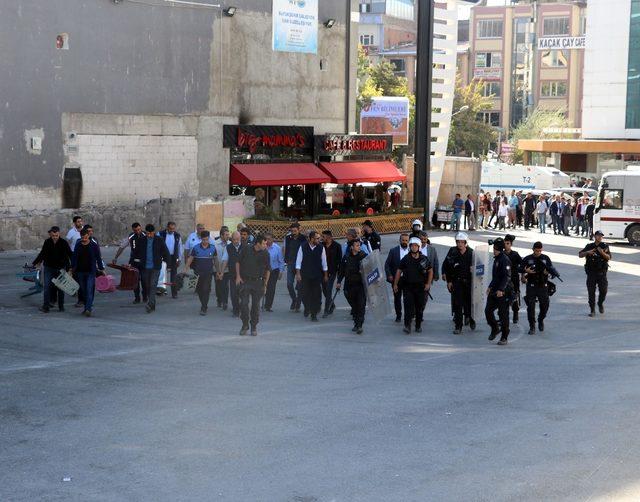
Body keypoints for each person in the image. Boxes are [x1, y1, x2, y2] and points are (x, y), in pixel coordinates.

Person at [393, 237, 433, 334]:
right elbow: (399, 271)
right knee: (408, 307)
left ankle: (418, 325)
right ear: (410, 247)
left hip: (420, 288)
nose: (414, 248)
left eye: (416, 246)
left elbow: (430, 271)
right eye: (412, 246)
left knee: (419, 307)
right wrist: (395, 284)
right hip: (408, 287)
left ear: (419, 247)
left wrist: (428, 283)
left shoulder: (424, 259)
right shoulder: (406, 259)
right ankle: (407, 325)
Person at [520, 241, 560, 335]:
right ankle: (532, 326)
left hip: (543, 285)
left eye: (539, 251)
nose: (538, 252)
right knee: (531, 307)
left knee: (545, 305)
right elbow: (519, 268)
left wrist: (549, 273)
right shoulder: (528, 258)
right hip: (531, 285)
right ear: (533, 249)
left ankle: (541, 319)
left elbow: (551, 269)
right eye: (536, 251)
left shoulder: (545, 258)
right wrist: (526, 271)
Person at [236, 234, 271, 336]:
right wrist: (238, 276)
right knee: (244, 304)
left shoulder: (265, 253)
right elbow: (237, 262)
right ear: (258, 243)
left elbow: (268, 269)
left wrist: (265, 284)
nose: (266, 245)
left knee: (256, 306)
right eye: (264, 243)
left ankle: (254, 326)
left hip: (258, 282)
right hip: (245, 281)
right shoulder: (246, 248)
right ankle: (245, 324)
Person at [32, 226, 72, 313]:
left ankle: (61, 306)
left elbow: (70, 255)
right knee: (47, 287)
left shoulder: (63, 243)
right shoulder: (47, 242)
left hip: (61, 269)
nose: (54, 237)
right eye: (53, 235)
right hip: (49, 268)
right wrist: (35, 262)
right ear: (51, 234)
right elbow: (42, 253)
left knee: (61, 288)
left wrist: (70, 268)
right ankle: (46, 307)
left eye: (56, 235)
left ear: (59, 234)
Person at [442, 232, 475, 334]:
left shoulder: (471, 253)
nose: (460, 244)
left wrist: (473, 269)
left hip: (469, 283)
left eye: (462, 242)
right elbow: (446, 264)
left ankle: (471, 318)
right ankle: (458, 326)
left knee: (469, 304)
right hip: (456, 282)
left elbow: (480, 267)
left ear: (466, 243)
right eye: (458, 242)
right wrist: (448, 280)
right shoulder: (452, 251)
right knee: (458, 304)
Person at [485, 238, 514, 346]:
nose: (494, 251)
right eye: (494, 248)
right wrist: (490, 286)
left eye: (496, 249)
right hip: (494, 290)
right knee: (488, 311)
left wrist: (501, 290)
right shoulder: (496, 259)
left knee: (503, 315)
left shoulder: (504, 260)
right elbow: (496, 277)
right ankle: (495, 328)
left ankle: (504, 336)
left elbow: (507, 277)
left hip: (503, 291)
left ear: (501, 249)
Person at [335, 239, 368, 334]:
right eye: (357, 245)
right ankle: (356, 322)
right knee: (354, 305)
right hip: (349, 285)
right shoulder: (346, 257)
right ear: (352, 247)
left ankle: (359, 325)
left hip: (361, 285)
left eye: (359, 245)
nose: (359, 247)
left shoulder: (364, 256)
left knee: (361, 305)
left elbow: (371, 268)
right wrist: (339, 281)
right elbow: (341, 271)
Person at [71, 228, 105, 317]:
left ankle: (88, 309)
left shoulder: (94, 245)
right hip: (80, 271)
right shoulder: (78, 245)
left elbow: (98, 257)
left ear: (88, 236)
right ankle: (86, 306)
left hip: (91, 271)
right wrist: (72, 268)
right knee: (83, 290)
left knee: (89, 290)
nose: (84, 239)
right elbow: (75, 258)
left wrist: (101, 269)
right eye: (82, 238)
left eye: (86, 237)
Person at [295, 230, 329, 322]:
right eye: (317, 238)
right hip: (305, 274)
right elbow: (298, 261)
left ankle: (313, 314)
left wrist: (325, 275)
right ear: (310, 239)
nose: (319, 240)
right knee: (305, 294)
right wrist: (298, 274)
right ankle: (307, 308)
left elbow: (324, 262)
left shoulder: (321, 248)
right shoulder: (303, 247)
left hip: (317, 275)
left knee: (316, 295)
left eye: (319, 238)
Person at [139, 224, 171, 313]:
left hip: (155, 267)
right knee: (147, 285)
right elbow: (137, 252)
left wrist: (169, 266)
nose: (149, 235)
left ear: (154, 232)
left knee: (153, 285)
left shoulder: (159, 240)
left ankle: (150, 304)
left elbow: (166, 252)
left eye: (151, 234)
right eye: (147, 234)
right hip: (145, 267)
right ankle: (152, 303)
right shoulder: (142, 240)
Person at [579, 231, 611, 317]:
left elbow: (609, 257)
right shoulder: (589, 246)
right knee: (591, 292)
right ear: (594, 236)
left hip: (602, 273)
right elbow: (580, 254)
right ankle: (592, 310)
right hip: (591, 273)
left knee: (604, 291)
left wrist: (602, 252)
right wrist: (587, 252)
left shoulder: (605, 246)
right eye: (598, 235)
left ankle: (600, 303)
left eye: (601, 236)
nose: (600, 237)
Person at [112, 222, 146, 304]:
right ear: (133, 230)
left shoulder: (146, 235)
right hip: (134, 262)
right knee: (135, 280)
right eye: (135, 230)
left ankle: (145, 296)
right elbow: (122, 247)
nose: (137, 232)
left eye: (138, 230)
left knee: (145, 280)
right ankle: (137, 298)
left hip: (145, 261)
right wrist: (116, 257)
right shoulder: (131, 237)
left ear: (140, 228)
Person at [185, 230, 217, 316]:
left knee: (206, 289)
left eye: (207, 239)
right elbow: (190, 258)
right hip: (198, 273)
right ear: (201, 239)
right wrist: (185, 268)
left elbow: (215, 260)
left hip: (208, 273)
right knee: (199, 290)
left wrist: (218, 271)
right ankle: (203, 303)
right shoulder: (196, 248)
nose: (205, 242)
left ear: (209, 239)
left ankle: (204, 307)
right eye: (203, 240)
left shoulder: (213, 248)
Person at [385, 233, 410, 323]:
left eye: (406, 240)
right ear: (400, 240)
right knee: (397, 298)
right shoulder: (393, 251)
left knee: (408, 299)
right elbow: (387, 264)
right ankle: (398, 315)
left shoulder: (412, 251)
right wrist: (389, 275)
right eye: (403, 240)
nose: (404, 242)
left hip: (408, 280)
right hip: (396, 279)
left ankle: (409, 315)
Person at [283, 222, 306, 312]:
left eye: (295, 230)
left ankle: (298, 304)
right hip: (290, 263)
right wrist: (286, 259)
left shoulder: (303, 238)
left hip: (300, 264)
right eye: (292, 231)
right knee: (289, 284)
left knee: (300, 285)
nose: (293, 232)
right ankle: (294, 299)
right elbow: (286, 248)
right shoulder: (288, 238)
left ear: (299, 230)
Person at [158, 222, 183, 299]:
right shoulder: (160, 234)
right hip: (163, 257)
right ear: (167, 228)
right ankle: (161, 291)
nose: (172, 230)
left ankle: (174, 293)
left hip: (173, 258)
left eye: (173, 229)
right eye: (170, 229)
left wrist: (179, 259)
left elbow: (180, 248)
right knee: (161, 275)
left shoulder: (177, 236)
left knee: (174, 276)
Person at [321, 230, 342, 317]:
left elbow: (339, 261)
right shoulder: (321, 245)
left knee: (329, 289)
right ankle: (332, 304)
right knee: (325, 290)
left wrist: (339, 276)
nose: (322, 238)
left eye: (324, 237)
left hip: (332, 271)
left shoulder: (337, 246)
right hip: (322, 271)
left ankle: (326, 310)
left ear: (329, 237)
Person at [503, 234, 523, 324]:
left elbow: (523, 265)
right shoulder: (501, 254)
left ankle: (515, 313)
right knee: (503, 298)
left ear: (511, 244)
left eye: (508, 243)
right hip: (503, 280)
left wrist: (523, 275)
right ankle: (503, 316)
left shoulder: (515, 254)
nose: (506, 245)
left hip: (514, 279)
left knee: (514, 297)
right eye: (505, 243)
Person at [419, 231, 440, 308]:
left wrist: (436, 274)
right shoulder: (414, 247)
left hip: (428, 275)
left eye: (425, 239)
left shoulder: (432, 249)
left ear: (427, 239)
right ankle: (415, 311)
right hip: (416, 275)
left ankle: (421, 310)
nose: (423, 241)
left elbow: (435, 262)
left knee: (425, 294)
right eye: (421, 239)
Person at [264, 233, 284, 312]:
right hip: (263, 271)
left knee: (271, 288)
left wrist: (281, 272)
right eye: (266, 239)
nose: (267, 241)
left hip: (273, 271)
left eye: (269, 239)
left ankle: (268, 306)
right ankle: (262, 302)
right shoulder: (263, 247)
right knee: (263, 287)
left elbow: (281, 261)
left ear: (272, 239)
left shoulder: (277, 248)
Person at [226, 231, 243, 317]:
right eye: (234, 239)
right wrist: (221, 271)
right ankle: (235, 310)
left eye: (237, 239)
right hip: (232, 274)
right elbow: (225, 259)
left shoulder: (245, 247)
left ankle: (241, 308)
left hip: (243, 275)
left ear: (240, 239)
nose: (236, 241)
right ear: (231, 239)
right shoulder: (228, 247)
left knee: (243, 293)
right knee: (233, 293)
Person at [213, 228, 230, 310]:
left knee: (225, 285)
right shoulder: (215, 244)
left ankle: (225, 302)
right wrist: (216, 269)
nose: (228, 236)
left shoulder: (230, 243)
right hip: (216, 269)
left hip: (227, 269)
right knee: (218, 285)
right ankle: (219, 299)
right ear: (221, 235)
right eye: (226, 235)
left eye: (228, 234)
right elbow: (213, 257)